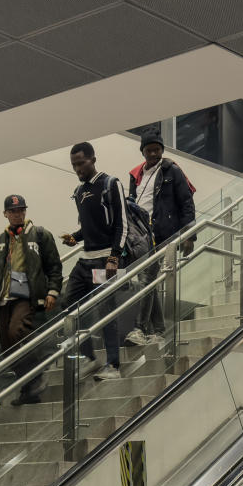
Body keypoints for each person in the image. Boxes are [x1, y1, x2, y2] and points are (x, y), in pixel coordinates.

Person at [0, 194, 63, 405]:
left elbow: (54, 266)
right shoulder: (2, 240)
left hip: (27, 295)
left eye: (21, 210)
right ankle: (28, 389)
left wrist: (52, 292)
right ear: (5, 214)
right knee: (7, 345)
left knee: (16, 332)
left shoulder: (40, 234)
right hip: (5, 296)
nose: (17, 214)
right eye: (12, 211)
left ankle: (38, 374)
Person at [60, 141, 127, 382]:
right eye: (74, 165)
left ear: (93, 159)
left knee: (106, 309)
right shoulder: (79, 192)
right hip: (85, 260)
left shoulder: (110, 183)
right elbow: (88, 227)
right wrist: (74, 237)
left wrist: (114, 258)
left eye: (81, 163)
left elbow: (122, 224)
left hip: (106, 259)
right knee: (69, 305)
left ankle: (113, 365)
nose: (77, 169)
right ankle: (89, 358)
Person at [125, 131, 195, 347]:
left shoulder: (171, 170)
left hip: (163, 233)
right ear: (143, 151)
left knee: (147, 279)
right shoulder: (136, 174)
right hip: (140, 234)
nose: (154, 153)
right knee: (150, 281)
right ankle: (159, 331)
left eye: (157, 149)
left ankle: (139, 329)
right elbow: (131, 205)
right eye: (149, 149)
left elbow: (186, 202)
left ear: (162, 150)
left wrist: (189, 236)